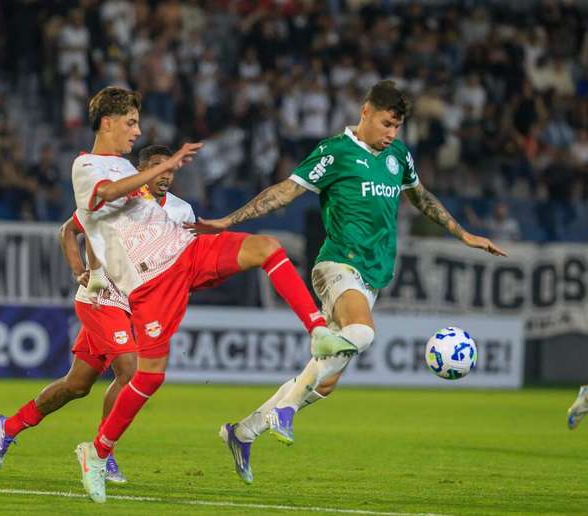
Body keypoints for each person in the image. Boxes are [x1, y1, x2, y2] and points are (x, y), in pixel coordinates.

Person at [190, 80, 507, 484]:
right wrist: (227, 221)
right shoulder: (335, 152)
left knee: (327, 381)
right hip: (338, 264)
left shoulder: (397, 155)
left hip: (372, 276)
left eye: (397, 127)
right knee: (363, 332)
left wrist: (463, 234)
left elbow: (421, 196)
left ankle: (243, 431)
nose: (392, 133)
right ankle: (283, 411)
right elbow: (284, 192)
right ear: (365, 112)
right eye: (387, 123)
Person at [71, 86, 352, 503]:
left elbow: (148, 207)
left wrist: (203, 225)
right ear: (107, 122)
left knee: (267, 247)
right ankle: (97, 452)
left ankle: (317, 330)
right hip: (149, 281)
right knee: (149, 376)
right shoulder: (88, 166)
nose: (136, 130)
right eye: (130, 122)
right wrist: (164, 164)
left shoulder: (127, 168)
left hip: (184, 251)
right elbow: (105, 197)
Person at [0, 144, 195, 483]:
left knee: (77, 385)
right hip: (101, 298)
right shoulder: (121, 198)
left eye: (170, 168)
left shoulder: (182, 211)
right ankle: (103, 453)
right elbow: (69, 230)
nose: (166, 174)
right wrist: (79, 269)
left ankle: (9, 426)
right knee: (130, 370)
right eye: (157, 167)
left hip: (133, 304)